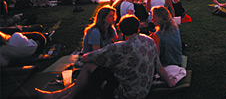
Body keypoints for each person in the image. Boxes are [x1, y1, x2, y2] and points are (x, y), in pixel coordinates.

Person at [36, 15, 176, 99]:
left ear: (121, 30)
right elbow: (158, 66)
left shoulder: (119, 47)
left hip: (126, 93)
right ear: (138, 28)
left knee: (89, 67)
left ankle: (67, 96)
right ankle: (61, 95)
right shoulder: (148, 40)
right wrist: (170, 83)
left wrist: (85, 56)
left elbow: (87, 57)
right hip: (143, 90)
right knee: (101, 70)